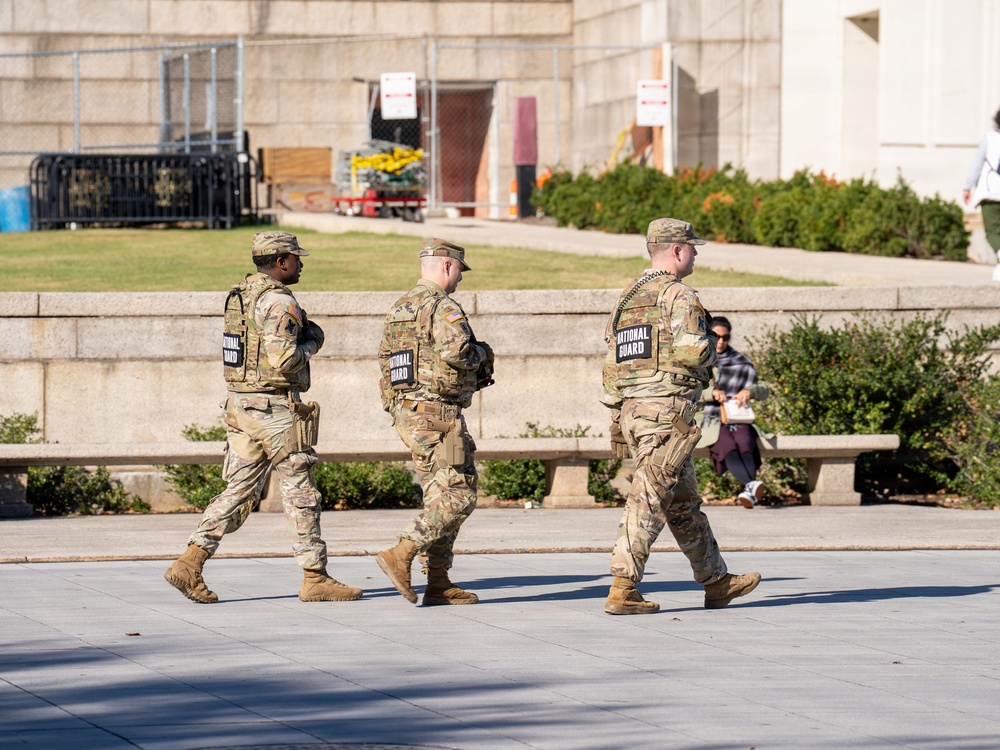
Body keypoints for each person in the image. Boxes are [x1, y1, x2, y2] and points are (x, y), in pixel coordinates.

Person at [165, 231, 362, 604]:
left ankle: (190, 562)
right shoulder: (277, 302)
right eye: (296, 258)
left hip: (241, 405)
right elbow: (283, 358)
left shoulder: (240, 296)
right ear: (281, 261)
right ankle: (314, 577)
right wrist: (313, 341)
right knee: (301, 490)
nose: (301, 264)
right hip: (273, 410)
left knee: (238, 491)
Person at [602, 218, 761, 615]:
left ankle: (716, 582)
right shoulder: (679, 295)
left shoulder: (628, 299)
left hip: (636, 412)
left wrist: (618, 415)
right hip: (666, 414)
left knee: (683, 504)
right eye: (692, 247)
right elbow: (693, 353)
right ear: (676, 250)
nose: (695, 253)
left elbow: (612, 366)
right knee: (650, 496)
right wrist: (711, 344)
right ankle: (623, 586)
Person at [375, 238, 494, 606]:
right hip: (437, 414)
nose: (460, 278)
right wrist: (484, 353)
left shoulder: (400, 307)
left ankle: (438, 580)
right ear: (446, 266)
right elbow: (456, 350)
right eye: (459, 269)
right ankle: (402, 552)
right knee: (460, 493)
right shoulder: (441, 306)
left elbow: (385, 359)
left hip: (409, 411)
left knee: (438, 493)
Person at [697, 316, 771, 509]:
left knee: (746, 442)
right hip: (710, 418)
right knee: (727, 445)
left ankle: (750, 488)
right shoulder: (699, 361)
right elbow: (686, 391)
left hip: (739, 416)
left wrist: (750, 391)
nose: (721, 341)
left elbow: (764, 390)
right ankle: (752, 486)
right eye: (717, 336)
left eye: (726, 337)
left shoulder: (741, 362)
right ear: (708, 336)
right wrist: (710, 393)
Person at [962, 107, 1000, 280]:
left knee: (992, 231)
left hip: (991, 193)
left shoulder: (990, 138)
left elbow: (977, 164)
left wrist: (968, 186)